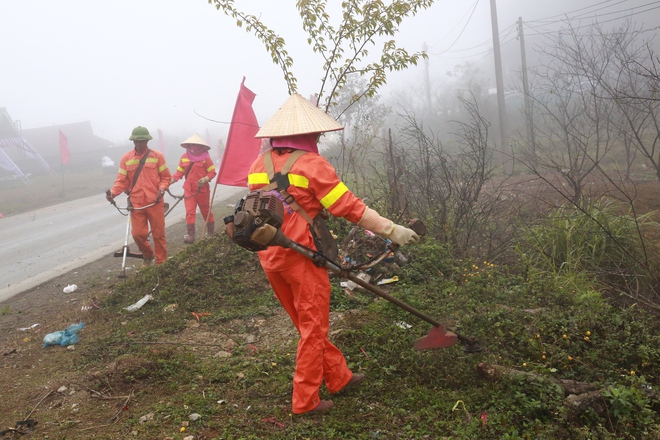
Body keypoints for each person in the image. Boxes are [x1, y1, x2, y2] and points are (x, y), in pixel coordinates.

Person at [246, 94, 419, 415]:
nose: (318, 139)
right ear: (308, 134)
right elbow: (349, 208)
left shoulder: (259, 164)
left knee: (306, 325)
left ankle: (339, 377)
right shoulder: (312, 164)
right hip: (303, 259)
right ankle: (305, 401)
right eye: (316, 135)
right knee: (313, 329)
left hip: (270, 257)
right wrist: (392, 230)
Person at [106, 126, 172, 268]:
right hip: (136, 204)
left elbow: (166, 177)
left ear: (147, 141)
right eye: (137, 141)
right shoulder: (126, 158)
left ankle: (161, 263)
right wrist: (113, 194)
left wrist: (162, 188)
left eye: (143, 141)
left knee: (158, 235)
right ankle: (148, 255)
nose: (140, 143)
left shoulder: (157, 156)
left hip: (155, 202)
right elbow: (121, 181)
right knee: (137, 235)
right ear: (133, 141)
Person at [171, 133, 217, 243]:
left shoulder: (206, 158)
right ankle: (191, 236)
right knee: (190, 212)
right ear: (189, 145)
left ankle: (210, 232)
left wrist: (205, 179)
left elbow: (212, 172)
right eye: (192, 145)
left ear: (201, 146)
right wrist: (169, 182)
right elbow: (179, 172)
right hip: (189, 189)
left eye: (196, 145)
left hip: (202, 190)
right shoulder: (184, 157)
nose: (194, 147)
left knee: (206, 211)